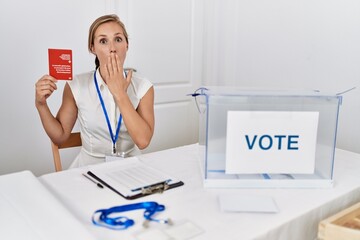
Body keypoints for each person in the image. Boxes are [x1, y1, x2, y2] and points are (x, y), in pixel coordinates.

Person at [35, 14, 155, 168]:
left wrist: (120, 93)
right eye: (103, 41)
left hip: (131, 167)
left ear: (127, 45)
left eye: (118, 39)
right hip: (89, 171)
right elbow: (60, 137)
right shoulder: (76, 85)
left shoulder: (143, 87)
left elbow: (143, 141)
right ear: (93, 48)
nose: (112, 48)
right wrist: (41, 104)